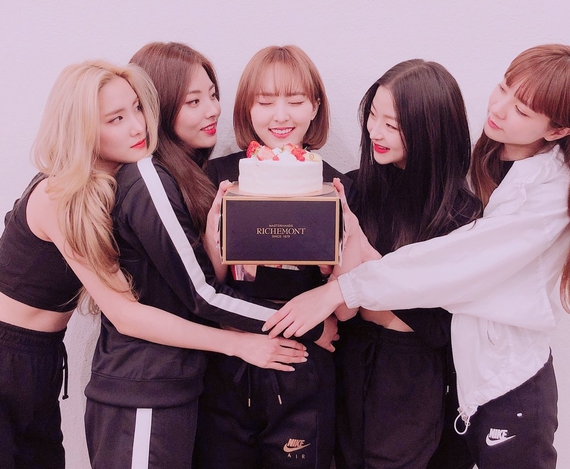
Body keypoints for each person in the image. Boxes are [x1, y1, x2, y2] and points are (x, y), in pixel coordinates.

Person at [265, 44, 570, 469]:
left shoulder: (541, 199)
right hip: (403, 372)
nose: (498, 108)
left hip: (491, 383)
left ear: (557, 131)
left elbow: (452, 273)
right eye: (503, 88)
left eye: (521, 109)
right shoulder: (489, 168)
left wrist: (349, 280)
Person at [0, 61, 306, 469]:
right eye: (116, 119)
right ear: (82, 129)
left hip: (41, 358)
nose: (137, 126)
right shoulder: (60, 195)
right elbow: (126, 315)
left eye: (137, 108)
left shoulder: (114, 183)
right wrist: (241, 342)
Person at [83, 43, 327, 469]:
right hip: (145, 384)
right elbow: (201, 294)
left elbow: (190, 285)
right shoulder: (149, 177)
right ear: (160, 107)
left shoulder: (189, 176)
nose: (212, 109)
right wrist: (308, 325)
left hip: (180, 383)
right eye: (193, 102)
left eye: (212, 95)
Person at [194, 45, 352, 469]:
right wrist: (215, 241)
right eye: (265, 102)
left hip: (305, 370)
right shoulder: (219, 178)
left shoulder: (334, 186)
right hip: (230, 364)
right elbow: (204, 287)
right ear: (248, 107)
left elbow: (348, 301)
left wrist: (335, 266)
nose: (280, 116)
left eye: (295, 101)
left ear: (315, 106)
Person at [333, 60, 481, 469]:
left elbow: (443, 327)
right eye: (372, 116)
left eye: (392, 125)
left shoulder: (461, 215)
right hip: (351, 355)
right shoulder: (356, 187)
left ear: (430, 131)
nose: (375, 132)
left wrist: (367, 257)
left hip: (410, 371)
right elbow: (345, 307)